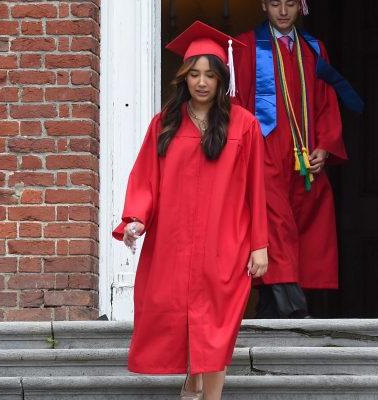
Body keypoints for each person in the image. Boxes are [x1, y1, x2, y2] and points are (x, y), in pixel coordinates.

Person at [112, 21, 269, 400]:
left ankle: (209, 394)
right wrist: (135, 218)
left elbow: (256, 189)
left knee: (217, 327)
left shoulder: (244, 125)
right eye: (194, 74)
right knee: (178, 312)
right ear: (184, 78)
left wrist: (259, 245)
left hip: (225, 242)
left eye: (210, 75)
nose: (202, 82)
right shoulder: (164, 124)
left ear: (221, 80)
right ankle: (192, 377)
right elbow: (146, 178)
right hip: (175, 242)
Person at [233, 0, 362, 318]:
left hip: (304, 154)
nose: (282, 10)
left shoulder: (314, 48)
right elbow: (236, 101)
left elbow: (326, 100)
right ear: (264, 5)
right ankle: (293, 307)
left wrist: (325, 145)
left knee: (306, 222)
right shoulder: (246, 46)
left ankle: (270, 305)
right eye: (275, 3)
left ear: (301, 6)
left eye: (290, 3)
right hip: (263, 150)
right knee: (274, 223)